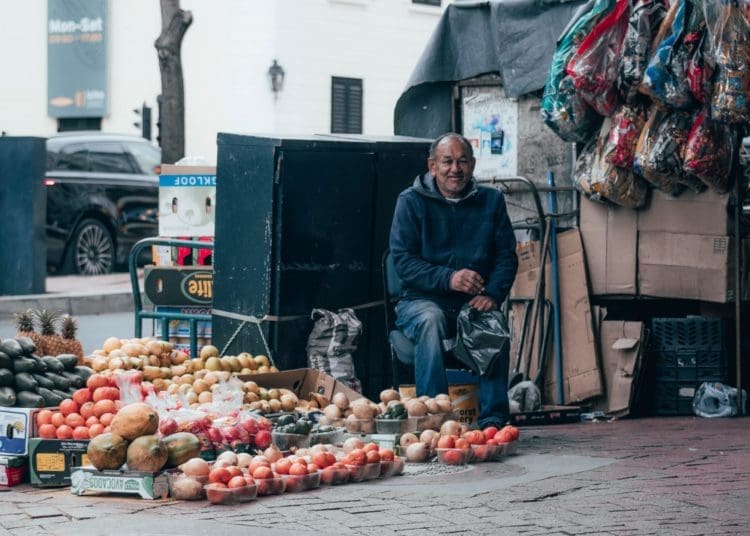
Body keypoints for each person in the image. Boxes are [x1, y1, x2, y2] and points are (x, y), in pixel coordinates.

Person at [389, 132, 518, 428]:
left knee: (491, 321)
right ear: (432, 166)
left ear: (472, 165)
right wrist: (449, 278)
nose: (455, 169)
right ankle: (435, 421)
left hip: (471, 302)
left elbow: (506, 256)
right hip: (420, 301)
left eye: (462, 161)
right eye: (447, 162)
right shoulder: (410, 202)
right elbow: (403, 262)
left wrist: (494, 294)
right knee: (431, 319)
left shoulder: (492, 201)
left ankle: (494, 421)